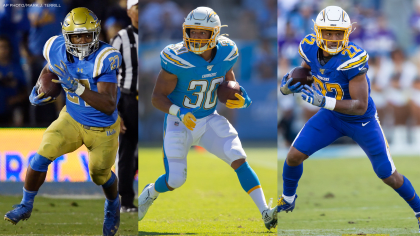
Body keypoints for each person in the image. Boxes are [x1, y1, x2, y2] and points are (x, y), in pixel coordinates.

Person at [279, 6, 420, 232]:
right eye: (328, 32)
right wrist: (288, 86)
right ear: (318, 31)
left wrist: (323, 102)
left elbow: (360, 105)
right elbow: (305, 71)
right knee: (294, 156)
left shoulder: (353, 57)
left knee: (388, 175)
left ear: (346, 33)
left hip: (360, 121)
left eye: (338, 33)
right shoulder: (308, 45)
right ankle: (287, 199)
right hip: (332, 117)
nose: (333, 38)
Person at [137, 6, 278, 230]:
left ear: (214, 34)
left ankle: (265, 212)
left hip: (209, 118)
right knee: (175, 180)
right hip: (179, 123)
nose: (197, 37)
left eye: (203, 32)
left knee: (238, 156)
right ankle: (149, 193)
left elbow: (229, 86)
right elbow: (156, 98)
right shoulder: (176, 57)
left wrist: (243, 98)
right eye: (193, 31)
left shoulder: (227, 52)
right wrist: (180, 112)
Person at [3, 8, 122, 236]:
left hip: (102, 126)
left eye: (88, 35)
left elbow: (108, 104)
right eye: (78, 35)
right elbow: (50, 68)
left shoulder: (106, 57)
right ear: (67, 36)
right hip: (72, 117)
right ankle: (26, 205)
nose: (84, 40)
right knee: (41, 155)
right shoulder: (55, 47)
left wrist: (76, 86)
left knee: (100, 174)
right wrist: (39, 87)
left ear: (96, 33)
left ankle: (113, 204)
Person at [110, 0, 139, 213]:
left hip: (154, 101)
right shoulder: (121, 38)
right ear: (129, 11)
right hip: (129, 100)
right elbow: (109, 76)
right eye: (138, 7)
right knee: (127, 151)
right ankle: (126, 201)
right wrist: (116, 111)